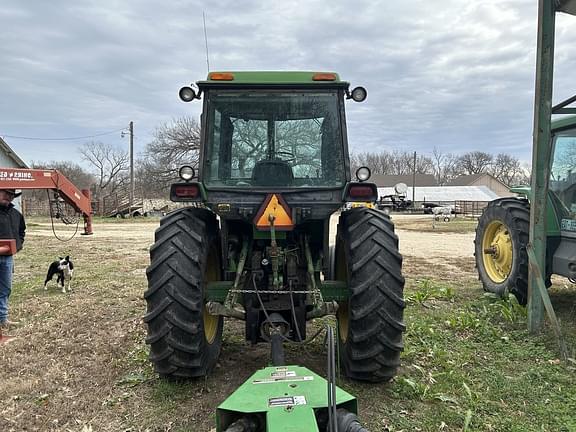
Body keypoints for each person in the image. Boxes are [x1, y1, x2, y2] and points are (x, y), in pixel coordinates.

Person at [0, 188, 26, 332]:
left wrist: (18, 244)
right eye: (5, 193)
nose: (9, 197)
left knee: (5, 289)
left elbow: (22, 231)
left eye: (11, 195)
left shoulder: (16, 214)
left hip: (7, 258)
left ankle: (3, 319)